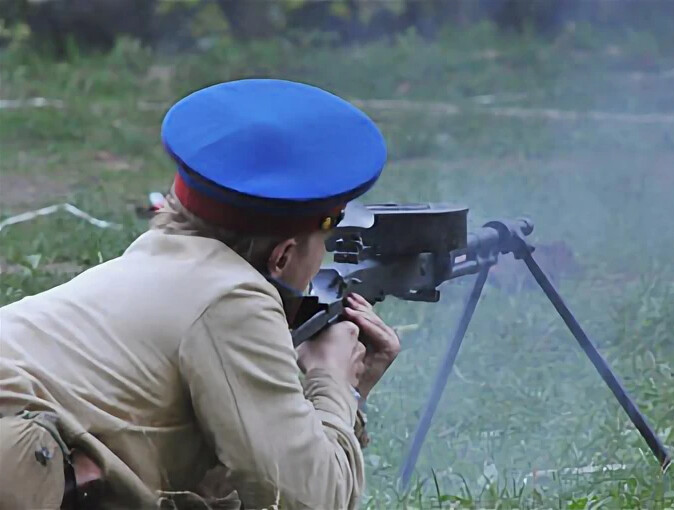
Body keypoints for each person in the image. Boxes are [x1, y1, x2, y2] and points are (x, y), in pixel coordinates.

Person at [0, 79, 401, 510]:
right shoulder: (233, 299)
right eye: (322, 243)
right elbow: (306, 499)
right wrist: (334, 382)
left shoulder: (146, 266)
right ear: (282, 257)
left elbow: (223, 477)